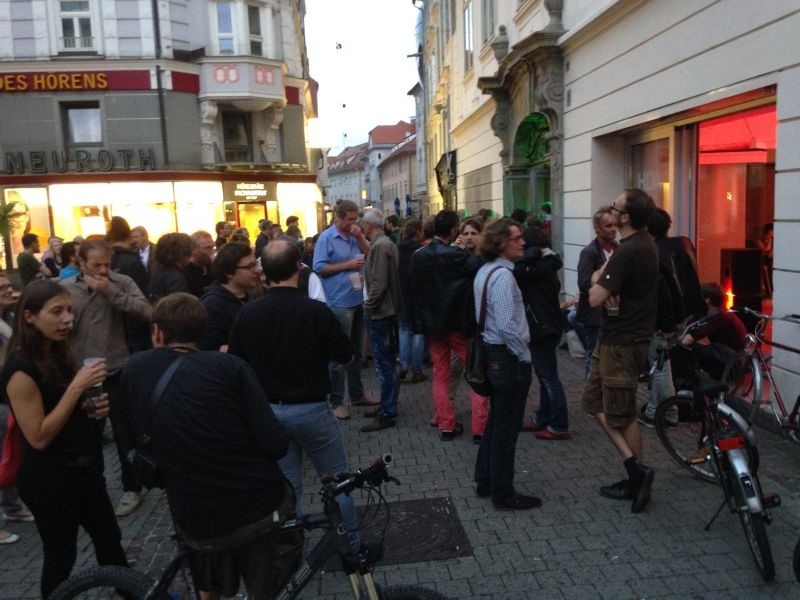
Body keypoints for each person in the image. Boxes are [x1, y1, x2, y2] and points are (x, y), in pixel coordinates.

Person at [121, 293, 302, 599]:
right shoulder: (230, 367)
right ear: (202, 332)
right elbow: (275, 444)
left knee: (208, 584)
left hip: (196, 518)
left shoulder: (136, 369)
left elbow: (136, 438)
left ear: (157, 332)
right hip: (257, 508)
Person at [229, 240, 361, 552]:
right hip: (312, 408)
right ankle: (352, 549)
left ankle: (294, 554)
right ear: (298, 268)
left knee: (289, 488)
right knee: (337, 481)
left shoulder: (247, 314)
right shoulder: (316, 311)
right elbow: (346, 355)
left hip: (269, 412)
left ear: (264, 272)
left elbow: (236, 364)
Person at [4, 280, 127, 597]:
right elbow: (38, 437)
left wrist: (91, 406)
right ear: (30, 317)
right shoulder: (20, 369)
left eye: (70, 311)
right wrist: (77, 388)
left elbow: (64, 409)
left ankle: (133, 593)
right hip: (49, 479)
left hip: (84, 469)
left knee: (110, 542)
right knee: (61, 556)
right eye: (57, 312)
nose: (68, 319)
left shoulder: (59, 354)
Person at [61, 239, 153, 517]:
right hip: (80, 374)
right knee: (86, 437)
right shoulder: (65, 288)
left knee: (125, 434)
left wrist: (110, 292)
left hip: (116, 368)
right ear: (81, 262)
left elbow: (147, 311)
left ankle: (131, 487)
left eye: (106, 264)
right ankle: (92, 490)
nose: (102, 270)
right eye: (96, 265)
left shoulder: (120, 282)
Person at [581, 188, 658, 513]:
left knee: (623, 413)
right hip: (614, 339)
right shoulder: (641, 243)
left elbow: (595, 297)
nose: (610, 210)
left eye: (614, 207)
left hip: (622, 344)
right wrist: (599, 278)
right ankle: (634, 469)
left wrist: (597, 279)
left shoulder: (629, 251)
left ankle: (637, 479)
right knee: (592, 401)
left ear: (625, 217)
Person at [473, 218, 540, 511]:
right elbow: (506, 326)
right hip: (507, 358)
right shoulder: (503, 277)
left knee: (496, 422)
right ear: (500, 242)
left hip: (494, 356)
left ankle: (485, 480)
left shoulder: (486, 271)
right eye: (515, 238)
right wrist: (523, 355)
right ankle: (503, 493)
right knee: (506, 430)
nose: (522, 242)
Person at [409, 209, 487, 442]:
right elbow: (479, 267)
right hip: (458, 324)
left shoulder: (419, 256)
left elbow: (413, 291)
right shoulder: (457, 255)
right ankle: (480, 428)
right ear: (454, 230)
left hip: (433, 326)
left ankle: (446, 425)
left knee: (441, 376)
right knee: (476, 374)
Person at [639, 207, 704, 428]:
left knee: (660, 366)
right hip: (684, 315)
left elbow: (662, 294)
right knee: (661, 364)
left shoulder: (654, 253)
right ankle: (654, 409)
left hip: (664, 320)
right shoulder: (683, 244)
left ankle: (668, 414)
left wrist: (665, 325)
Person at [313, 199, 377, 420]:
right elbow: (318, 267)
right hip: (339, 301)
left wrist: (359, 237)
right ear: (338, 218)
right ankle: (336, 402)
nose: (353, 223)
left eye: (355, 219)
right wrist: (347, 266)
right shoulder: (326, 238)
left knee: (357, 353)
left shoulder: (354, 235)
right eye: (349, 219)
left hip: (357, 297)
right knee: (339, 355)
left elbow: (370, 254)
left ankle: (357, 395)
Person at [515, 225, 570, 440]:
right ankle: (544, 417)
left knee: (548, 378)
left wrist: (528, 255)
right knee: (546, 375)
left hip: (541, 327)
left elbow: (517, 269)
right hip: (550, 325)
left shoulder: (533, 269)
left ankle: (559, 425)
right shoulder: (548, 264)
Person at [359, 209, 401, 433]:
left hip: (381, 313)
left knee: (385, 365)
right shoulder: (384, 244)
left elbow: (379, 284)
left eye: (363, 224)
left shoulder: (380, 246)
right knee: (388, 363)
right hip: (385, 311)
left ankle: (387, 412)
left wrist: (368, 306)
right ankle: (387, 405)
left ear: (368, 225)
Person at [0, 271, 33, 545]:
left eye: (9, 285)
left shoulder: (9, 317)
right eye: (1, 287)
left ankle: (12, 507)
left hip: (9, 395)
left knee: (10, 453)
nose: (8, 290)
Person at [575, 208, 617, 376]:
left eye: (614, 225)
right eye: (608, 226)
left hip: (616, 315)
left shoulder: (619, 249)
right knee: (593, 357)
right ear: (597, 228)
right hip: (595, 315)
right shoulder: (589, 253)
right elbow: (584, 283)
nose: (613, 229)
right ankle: (590, 389)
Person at [199, 242, 262, 352]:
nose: (257, 270)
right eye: (249, 267)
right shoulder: (213, 305)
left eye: (255, 264)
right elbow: (209, 348)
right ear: (229, 272)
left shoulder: (254, 295)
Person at [677, 282, 747, 381]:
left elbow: (692, 338)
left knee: (691, 348)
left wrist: (672, 347)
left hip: (733, 362)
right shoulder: (712, 312)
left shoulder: (720, 316)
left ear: (707, 300)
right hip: (726, 354)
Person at [396, 218, 426, 384]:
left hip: (401, 295)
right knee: (418, 332)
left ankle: (403, 364)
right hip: (418, 296)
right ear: (417, 232)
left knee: (404, 330)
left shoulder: (397, 249)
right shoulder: (420, 251)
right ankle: (417, 370)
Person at [148, 232, 192, 301]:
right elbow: (179, 304)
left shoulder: (159, 273)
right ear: (181, 254)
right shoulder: (176, 278)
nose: (190, 256)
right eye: (188, 253)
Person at [184, 231, 216, 298]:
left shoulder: (212, 268)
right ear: (193, 249)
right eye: (207, 248)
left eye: (213, 247)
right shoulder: (185, 272)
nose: (212, 251)